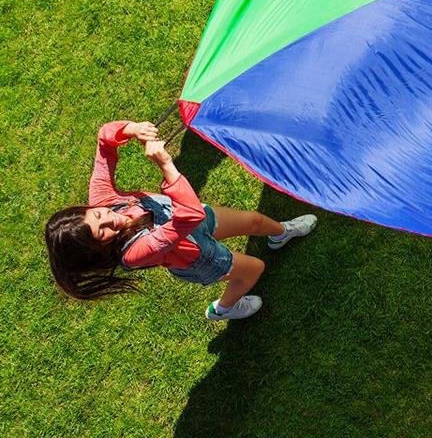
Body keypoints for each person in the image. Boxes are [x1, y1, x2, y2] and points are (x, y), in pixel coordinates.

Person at [44, 120, 316, 320]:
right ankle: (225, 308)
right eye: (101, 232)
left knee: (254, 220)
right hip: (199, 257)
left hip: (195, 222)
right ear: (96, 249)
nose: (109, 220)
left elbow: (104, 140)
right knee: (255, 268)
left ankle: (281, 233)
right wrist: (165, 164)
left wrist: (132, 129)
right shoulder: (135, 254)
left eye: (98, 215)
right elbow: (189, 215)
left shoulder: (101, 198)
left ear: (88, 208)